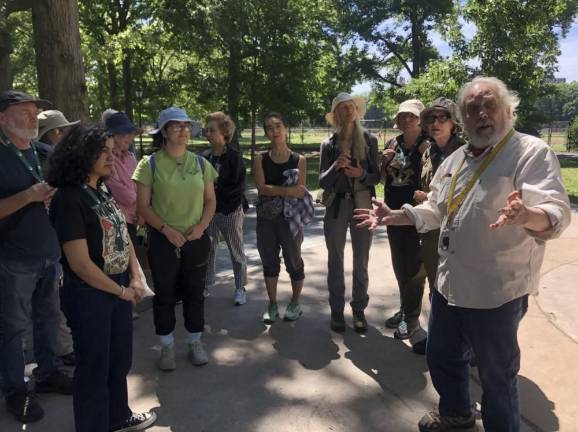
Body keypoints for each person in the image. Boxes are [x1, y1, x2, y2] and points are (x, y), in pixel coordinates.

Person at [354, 76, 571, 432]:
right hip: (449, 284)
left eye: (489, 105)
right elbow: (438, 208)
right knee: (442, 357)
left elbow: (555, 211)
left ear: (508, 110)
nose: (481, 114)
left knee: (496, 375)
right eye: (472, 108)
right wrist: (398, 215)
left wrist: (526, 215)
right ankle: (457, 414)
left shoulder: (530, 152)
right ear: (464, 118)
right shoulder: (456, 158)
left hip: (496, 293)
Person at [48, 124, 156, 432]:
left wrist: (136, 278)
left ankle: (117, 417)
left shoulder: (102, 188)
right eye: (103, 152)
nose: (112, 157)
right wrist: (122, 292)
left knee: (118, 362)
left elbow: (123, 235)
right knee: (94, 369)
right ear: (81, 154)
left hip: (119, 288)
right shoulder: (69, 199)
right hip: (89, 296)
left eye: (112, 151)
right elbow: (81, 265)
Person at [0, 90, 73, 424]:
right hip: (12, 258)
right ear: (3, 119)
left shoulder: (45, 153)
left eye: (35, 112)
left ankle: (49, 372)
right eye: (25, 112)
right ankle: (16, 391)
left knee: (47, 315)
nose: (34, 118)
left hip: (49, 251)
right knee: (13, 328)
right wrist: (28, 196)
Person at [133, 107, 217, 370]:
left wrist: (202, 227)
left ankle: (195, 341)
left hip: (196, 238)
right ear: (164, 132)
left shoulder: (202, 163)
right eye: (175, 126)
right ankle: (167, 346)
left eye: (186, 126)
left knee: (195, 292)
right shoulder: (150, 164)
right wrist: (166, 229)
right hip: (163, 240)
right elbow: (143, 206)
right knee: (165, 294)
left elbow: (211, 200)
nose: (183, 131)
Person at [319, 92, 380, 333]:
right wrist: (336, 167)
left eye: (350, 107)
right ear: (335, 115)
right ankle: (336, 310)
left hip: (362, 203)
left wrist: (361, 175)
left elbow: (377, 175)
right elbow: (322, 181)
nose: (347, 111)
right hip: (336, 206)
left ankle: (358, 309)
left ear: (356, 110)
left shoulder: (369, 140)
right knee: (335, 260)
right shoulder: (328, 144)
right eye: (342, 108)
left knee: (361, 260)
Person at [410, 97, 466, 354]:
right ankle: (441, 339)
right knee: (436, 286)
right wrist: (424, 196)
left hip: (459, 231)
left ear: (453, 123)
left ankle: (465, 345)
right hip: (432, 229)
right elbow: (426, 188)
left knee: (459, 290)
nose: (435, 123)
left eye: (442, 118)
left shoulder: (467, 152)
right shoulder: (427, 151)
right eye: (431, 118)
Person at [254, 112, 307, 324]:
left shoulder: (298, 160)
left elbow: (300, 190)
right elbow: (261, 188)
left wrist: (276, 190)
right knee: (269, 261)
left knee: (294, 262)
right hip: (266, 218)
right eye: (269, 128)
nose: (274, 131)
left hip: (290, 219)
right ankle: (273, 304)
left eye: (278, 126)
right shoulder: (261, 159)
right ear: (266, 132)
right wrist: (286, 191)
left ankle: (295, 302)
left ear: (285, 128)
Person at [37, 109, 80, 365]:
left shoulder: (41, 155)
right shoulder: (48, 158)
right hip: (50, 239)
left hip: (50, 238)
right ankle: (63, 349)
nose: (67, 135)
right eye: (64, 130)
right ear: (54, 133)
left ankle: (61, 348)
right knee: (51, 300)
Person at [203, 111, 248, 304]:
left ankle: (240, 288)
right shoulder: (204, 158)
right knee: (207, 249)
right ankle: (205, 285)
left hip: (229, 211)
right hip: (208, 213)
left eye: (212, 130)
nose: (208, 133)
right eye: (207, 130)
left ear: (224, 133)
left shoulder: (234, 157)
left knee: (236, 250)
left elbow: (237, 188)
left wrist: (216, 194)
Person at [104, 112, 140, 246]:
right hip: (117, 221)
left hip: (134, 219)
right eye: (124, 133)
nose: (129, 137)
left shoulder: (131, 157)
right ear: (113, 136)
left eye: (130, 133)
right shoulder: (107, 160)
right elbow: (123, 193)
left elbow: (139, 183)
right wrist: (142, 204)